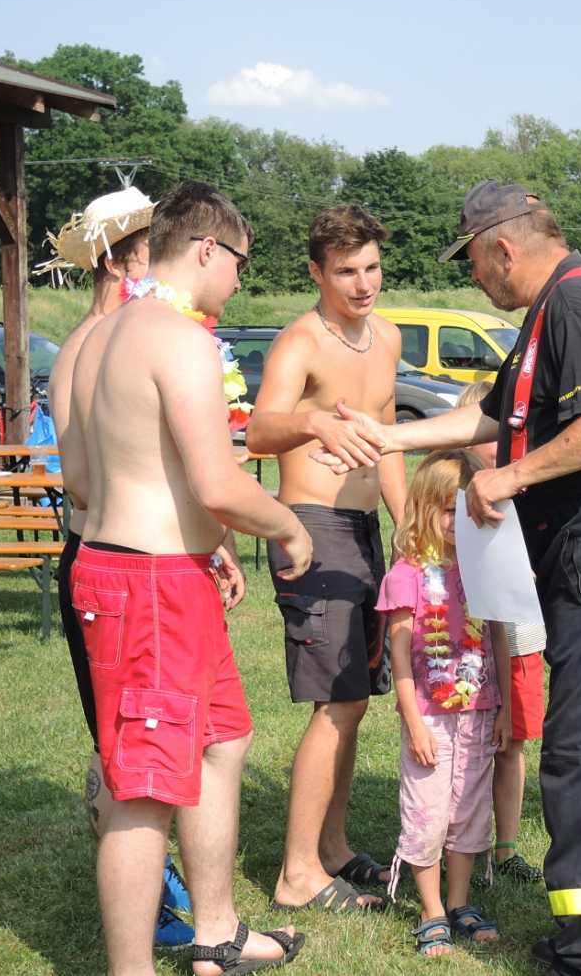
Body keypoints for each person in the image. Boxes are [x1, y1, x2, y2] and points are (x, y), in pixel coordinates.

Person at [325, 181, 581, 975]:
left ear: (503, 249)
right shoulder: (550, 310)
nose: (475, 280)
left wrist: (509, 481)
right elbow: (495, 412)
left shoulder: (577, 302)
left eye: (476, 265)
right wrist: (388, 434)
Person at [62, 181, 313, 975]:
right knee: (142, 790)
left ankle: (216, 934)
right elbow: (216, 483)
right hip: (151, 585)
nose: (241, 280)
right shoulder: (178, 337)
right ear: (207, 248)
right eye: (240, 261)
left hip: (153, 569)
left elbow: (79, 478)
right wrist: (287, 522)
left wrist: (202, 542)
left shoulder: (99, 337)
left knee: (222, 739)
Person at [41, 186, 209, 950]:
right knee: (134, 753)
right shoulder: (104, 343)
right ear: (123, 257)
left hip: (107, 554)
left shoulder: (98, 338)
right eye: (151, 244)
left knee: (143, 743)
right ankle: (156, 905)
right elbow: (81, 480)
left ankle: (163, 894)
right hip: (119, 557)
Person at [244, 205, 407, 912]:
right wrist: (309, 420)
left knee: (356, 699)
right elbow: (255, 431)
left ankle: (333, 849)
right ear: (316, 272)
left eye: (371, 266)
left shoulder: (389, 336)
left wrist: (410, 526)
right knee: (334, 702)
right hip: (312, 526)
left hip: (367, 529)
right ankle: (296, 873)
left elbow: (389, 436)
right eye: (346, 270)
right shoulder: (298, 343)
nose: (363, 282)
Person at [376, 449, 509, 956]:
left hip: (478, 709)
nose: (457, 521)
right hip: (429, 714)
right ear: (423, 509)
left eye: (465, 509)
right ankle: (431, 908)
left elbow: (496, 638)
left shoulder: (483, 569)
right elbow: (401, 657)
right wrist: (412, 722)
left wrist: (507, 710)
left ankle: (460, 902)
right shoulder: (408, 575)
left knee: (470, 809)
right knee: (428, 809)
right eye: (447, 509)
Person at [458, 380, 546, 886]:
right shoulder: (450, 493)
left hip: (518, 638)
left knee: (511, 742)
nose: (497, 448)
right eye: (487, 436)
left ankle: (506, 847)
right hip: (463, 645)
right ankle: (467, 845)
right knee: (467, 744)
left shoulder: (529, 486)